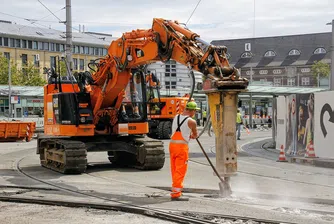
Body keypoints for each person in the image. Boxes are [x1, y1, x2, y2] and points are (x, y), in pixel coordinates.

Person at [169, 101, 199, 201]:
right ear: (192, 110)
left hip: (172, 146)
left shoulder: (176, 117)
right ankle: (176, 193)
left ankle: (175, 190)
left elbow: (180, 130)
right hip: (181, 148)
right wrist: (192, 135)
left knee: (174, 169)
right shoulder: (192, 122)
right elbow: (195, 135)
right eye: (195, 111)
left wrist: (187, 134)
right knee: (180, 170)